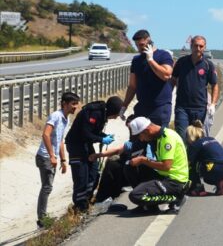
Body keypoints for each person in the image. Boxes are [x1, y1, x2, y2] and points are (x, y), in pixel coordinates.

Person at [65, 96, 122, 212]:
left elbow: (93, 132)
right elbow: (86, 133)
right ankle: (79, 206)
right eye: (117, 114)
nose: (116, 117)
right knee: (81, 177)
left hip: (85, 145)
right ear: (113, 110)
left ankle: (87, 200)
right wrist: (102, 140)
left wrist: (104, 136)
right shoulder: (94, 113)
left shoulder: (102, 114)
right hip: (76, 145)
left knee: (94, 173)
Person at [89, 115, 158, 204]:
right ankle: (102, 197)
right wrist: (98, 155)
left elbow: (151, 160)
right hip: (135, 171)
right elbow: (118, 150)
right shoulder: (134, 142)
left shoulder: (148, 142)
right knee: (112, 162)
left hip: (148, 174)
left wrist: (141, 160)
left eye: (131, 129)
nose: (131, 132)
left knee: (120, 165)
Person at [35, 92, 79, 227]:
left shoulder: (66, 119)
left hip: (51, 157)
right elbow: (46, 135)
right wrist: (52, 156)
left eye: (76, 104)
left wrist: (64, 160)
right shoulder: (56, 116)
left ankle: (42, 218)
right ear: (64, 104)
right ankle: (42, 220)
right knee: (47, 187)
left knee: (48, 187)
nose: (75, 107)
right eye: (73, 104)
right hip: (45, 157)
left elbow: (60, 140)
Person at [128, 117, 189, 214]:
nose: (142, 139)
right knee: (130, 168)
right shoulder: (159, 137)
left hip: (175, 181)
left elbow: (166, 166)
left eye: (140, 136)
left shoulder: (167, 138)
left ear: (147, 130)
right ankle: (148, 206)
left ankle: (176, 198)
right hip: (165, 175)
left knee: (135, 195)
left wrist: (143, 160)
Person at [122, 29, 174, 127]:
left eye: (141, 45)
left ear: (149, 41)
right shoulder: (136, 60)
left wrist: (150, 60)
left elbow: (166, 75)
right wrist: (124, 105)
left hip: (160, 107)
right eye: (137, 45)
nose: (139, 49)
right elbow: (132, 86)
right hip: (142, 107)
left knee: (157, 140)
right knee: (137, 140)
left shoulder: (163, 55)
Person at [172, 35, 218, 139]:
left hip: (200, 109)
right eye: (195, 45)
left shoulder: (208, 65)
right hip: (182, 107)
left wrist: (213, 104)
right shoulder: (181, 62)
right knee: (182, 137)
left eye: (201, 46)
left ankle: (194, 155)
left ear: (204, 47)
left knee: (197, 140)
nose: (198, 48)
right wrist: (170, 95)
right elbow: (173, 79)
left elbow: (215, 85)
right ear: (191, 46)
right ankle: (184, 155)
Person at [185, 120, 223, 196]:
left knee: (192, 166)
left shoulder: (195, 145)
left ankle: (198, 188)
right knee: (208, 162)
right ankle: (220, 182)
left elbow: (187, 163)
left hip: (215, 168)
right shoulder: (211, 138)